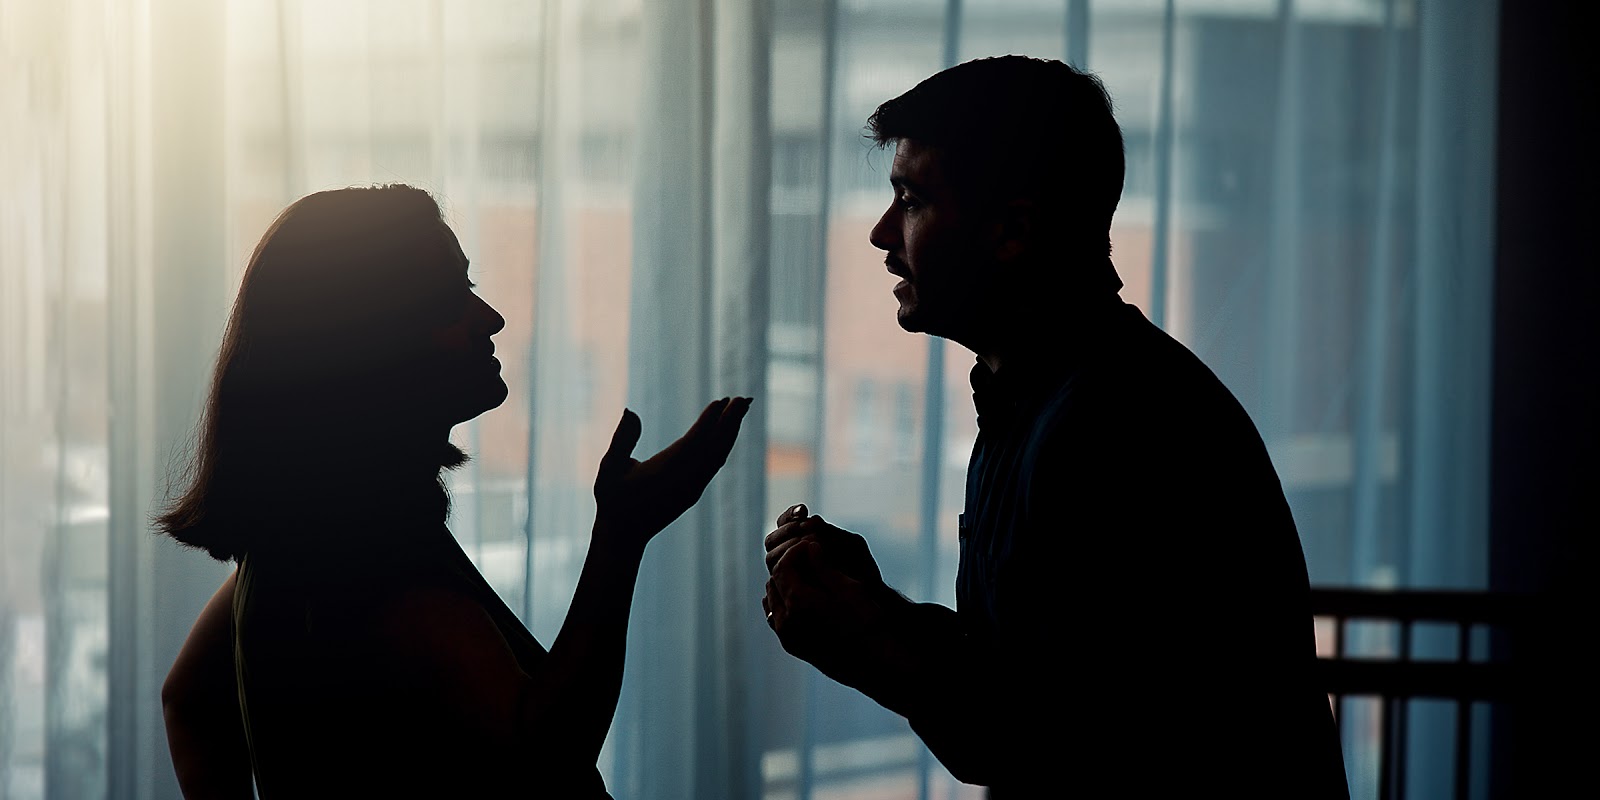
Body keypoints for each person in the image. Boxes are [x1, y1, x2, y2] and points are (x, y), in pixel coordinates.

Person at [761, 56, 1349, 798]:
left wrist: (869, 640)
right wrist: (876, 607)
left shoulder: (1118, 428)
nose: (882, 234)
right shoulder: (1043, 395)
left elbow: (1053, 745)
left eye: (910, 199)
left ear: (1012, 230)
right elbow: (1025, 677)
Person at [156, 184, 751, 798]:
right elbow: (541, 754)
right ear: (369, 343)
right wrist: (623, 533)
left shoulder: (306, 534)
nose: (489, 317)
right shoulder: (365, 555)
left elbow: (190, 701)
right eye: (450, 297)